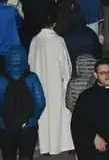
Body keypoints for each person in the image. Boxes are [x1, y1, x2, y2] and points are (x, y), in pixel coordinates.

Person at [28, 11, 75, 156]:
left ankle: (46, 147)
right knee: (61, 114)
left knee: (44, 115)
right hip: (56, 84)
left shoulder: (35, 40)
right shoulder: (58, 40)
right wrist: (68, 82)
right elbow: (66, 64)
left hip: (39, 84)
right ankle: (64, 144)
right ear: (54, 23)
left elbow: (30, 62)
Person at [0, 46, 47, 160]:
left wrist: (1, 120)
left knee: (8, 157)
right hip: (28, 127)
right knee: (26, 156)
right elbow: (41, 103)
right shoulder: (32, 78)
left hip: (5, 127)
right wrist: (33, 119)